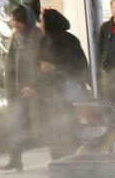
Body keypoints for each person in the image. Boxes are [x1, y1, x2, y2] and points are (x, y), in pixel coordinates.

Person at [38, 9, 89, 160]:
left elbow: (43, 68)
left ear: (49, 22)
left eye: (42, 21)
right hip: (73, 89)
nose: (40, 24)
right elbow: (81, 65)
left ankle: (60, 160)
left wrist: (54, 68)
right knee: (72, 125)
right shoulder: (71, 39)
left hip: (57, 91)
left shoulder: (47, 41)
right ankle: (75, 156)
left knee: (58, 126)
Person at [0, 5, 40, 172]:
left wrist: (36, 86)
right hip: (17, 88)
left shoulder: (38, 36)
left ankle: (60, 156)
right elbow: (10, 61)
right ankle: (15, 159)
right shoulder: (15, 36)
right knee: (16, 124)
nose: (14, 24)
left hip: (34, 89)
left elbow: (41, 64)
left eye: (17, 21)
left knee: (42, 124)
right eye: (13, 20)